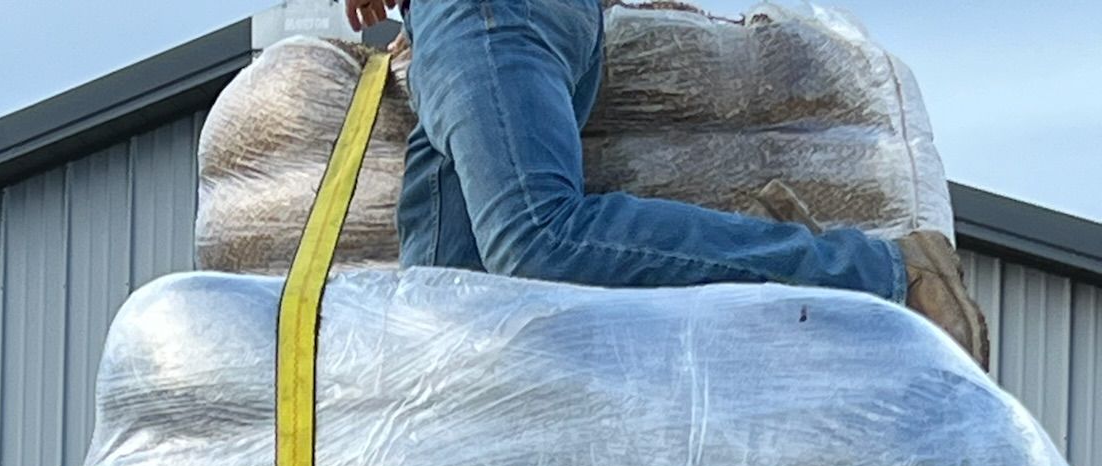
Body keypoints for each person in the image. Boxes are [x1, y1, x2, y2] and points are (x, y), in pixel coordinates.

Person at [344, 0, 988, 366]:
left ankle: (882, 272)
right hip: (463, 26)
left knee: (535, 236)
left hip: (485, 13)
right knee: (443, 318)